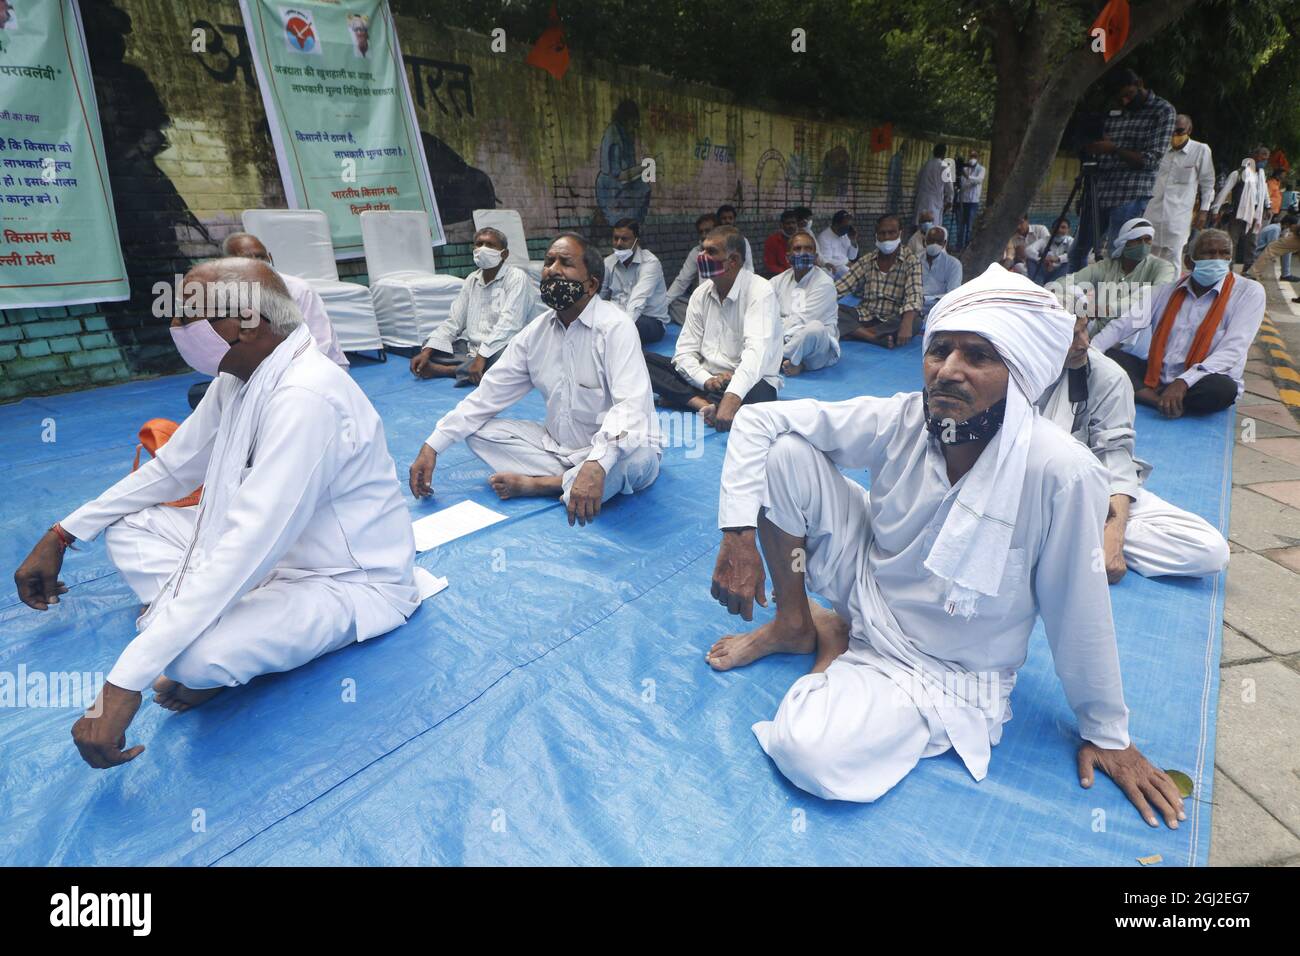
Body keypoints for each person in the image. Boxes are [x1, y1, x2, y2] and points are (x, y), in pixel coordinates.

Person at [704, 263, 1183, 829]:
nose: (949, 371)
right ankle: (793, 622)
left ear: (1020, 374)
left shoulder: (1061, 471)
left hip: (943, 664)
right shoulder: (902, 416)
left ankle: (832, 642)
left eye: (978, 356)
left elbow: (1078, 605)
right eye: (940, 351)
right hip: (869, 584)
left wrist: (1108, 733)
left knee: (810, 753)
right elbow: (759, 422)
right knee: (785, 453)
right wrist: (737, 534)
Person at [13, 259, 420, 768]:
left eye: (188, 317)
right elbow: (173, 471)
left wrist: (123, 683)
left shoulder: (306, 396)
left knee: (191, 657)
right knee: (130, 523)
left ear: (246, 322)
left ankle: (197, 636)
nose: (177, 329)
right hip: (263, 557)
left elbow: (247, 546)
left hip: (339, 579)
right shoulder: (240, 374)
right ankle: (193, 620)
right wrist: (64, 532)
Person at [409, 233, 661, 522]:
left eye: (565, 263)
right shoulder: (535, 333)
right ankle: (571, 479)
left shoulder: (616, 327)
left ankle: (543, 484)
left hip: (614, 452)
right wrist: (432, 446)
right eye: (548, 261)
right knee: (478, 432)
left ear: (591, 285)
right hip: (557, 448)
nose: (552, 270)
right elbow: (487, 394)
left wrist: (597, 463)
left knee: (637, 459)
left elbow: (631, 408)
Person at [1037, 315, 1229, 583]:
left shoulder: (1105, 375)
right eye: (1071, 336)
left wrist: (1113, 537)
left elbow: (1114, 460)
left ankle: (1069, 531)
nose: (1084, 343)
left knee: (1209, 550)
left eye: (1084, 330)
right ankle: (1061, 531)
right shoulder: (1001, 371)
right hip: (1015, 495)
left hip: (1088, 491)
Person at [1091, 229, 1265, 417]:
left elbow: (1233, 349)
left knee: (1222, 389)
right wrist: (1088, 352)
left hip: (1201, 381)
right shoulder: (1165, 291)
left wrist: (1183, 382)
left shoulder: (1249, 292)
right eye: (1209, 252)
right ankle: (1157, 399)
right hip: (1156, 375)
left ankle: (1147, 395)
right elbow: (1122, 326)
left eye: (1224, 254)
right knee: (1105, 356)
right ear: (1189, 261)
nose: (1218, 259)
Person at [644, 225, 782, 432]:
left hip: (747, 380)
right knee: (642, 361)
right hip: (708, 378)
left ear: (733, 260)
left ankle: (688, 398)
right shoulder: (701, 294)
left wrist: (732, 396)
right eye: (702, 249)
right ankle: (701, 404)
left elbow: (756, 355)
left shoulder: (760, 291)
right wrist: (707, 380)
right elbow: (683, 353)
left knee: (757, 394)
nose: (702, 256)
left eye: (711, 252)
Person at [211, 232, 347, 407]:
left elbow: (323, 345)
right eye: (247, 259)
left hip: (315, 372)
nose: (257, 264)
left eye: (261, 257)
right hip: (263, 375)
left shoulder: (298, 290)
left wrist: (283, 382)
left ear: (270, 258)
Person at [1069, 70, 1177, 273]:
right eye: (1120, 98)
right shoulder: (1110, 107)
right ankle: (1073, 295)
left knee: (1115, 251)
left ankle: (1112, 300)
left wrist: (1114, 149)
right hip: (1098, 188)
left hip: (1131, 191)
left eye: (1129, 94)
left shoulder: (1162, 111)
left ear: (1140, 83)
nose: (1125, 101)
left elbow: (1151, 160)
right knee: (1078, 250)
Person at [409, 226, 533, 386]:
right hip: (472, 349)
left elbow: (509, 326)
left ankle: (447, 371)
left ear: (504, 254)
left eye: (489, 245)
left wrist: (482, 356)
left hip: (503, 346)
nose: (482, 249)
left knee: (506, 358)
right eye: (479, 244)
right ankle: (470, 369)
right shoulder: (472, 279)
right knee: (431, 346)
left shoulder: (516, 278)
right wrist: (427, 352)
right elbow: (454, 322)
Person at [1063, 218, 1177, 333]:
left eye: (1147, 240)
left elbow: (1154, 297)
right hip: (1097, 334)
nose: (1143, 245)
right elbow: (1069, 281)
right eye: (1137, 240)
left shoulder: (1163, 267)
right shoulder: (1107, 266)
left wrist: (1107, 309)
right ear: (1125, 242)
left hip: (1133, 338)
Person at [835, 212, 922, 349]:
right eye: (882, 233)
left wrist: (906, 323)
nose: (886, 238)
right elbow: (841, 286)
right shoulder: (867, 260)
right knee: (831, 310)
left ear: (900, 234)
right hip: (865, 315)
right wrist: (820, 301)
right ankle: (872, 337)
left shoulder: (911, 261)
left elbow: (915, 295)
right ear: (876, 236)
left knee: (915, 321)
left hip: (892, 318)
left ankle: (855, 333)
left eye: (891, 233)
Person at [1143, 114, 1215, 267]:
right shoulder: (1160, 149)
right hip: (1152, 212)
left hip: (1178, 216)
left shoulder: (1200, 150)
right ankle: (1150, 290)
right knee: (1149, 257)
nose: (1175, 134)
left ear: (1189, 130)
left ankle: (1172, 291)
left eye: (1180, 130)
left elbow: (1208, 183)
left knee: (1172, 258)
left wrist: (1204, 210)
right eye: (1172, 131)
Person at [771, 230, 839, 376]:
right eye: (797, 249)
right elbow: (765, 311)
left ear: (815, 256)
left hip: (813, 343)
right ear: (788, 256)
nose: (803, 253)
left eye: (808, 249)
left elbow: (802, 319)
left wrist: (776, 329)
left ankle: (775, 358)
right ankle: (796, 362)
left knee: (814, 329)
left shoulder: (824, 283)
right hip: (782, 336)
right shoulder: (778, 280)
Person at [601, 218, 670, 345]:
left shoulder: (650, 263)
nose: (618, 243)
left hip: (649, 320)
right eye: (615, 238)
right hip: (617, 317)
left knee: (632, 327)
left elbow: (638, 301)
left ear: (636, 241)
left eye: (624, 239)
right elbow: (601, 296)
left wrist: (622, 328)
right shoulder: (608, 262)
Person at [1212, 148, 1270, 271]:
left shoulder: (1261, 176)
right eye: (1262, 157)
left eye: (1266, 159)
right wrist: (1215, 210)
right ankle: (1228, 268)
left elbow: (1264, 193)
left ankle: (1248, 269)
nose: (1264, 161)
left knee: (1252, 242)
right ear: (1253, 156)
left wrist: (1268, 206)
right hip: (1238, 212)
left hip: (1255, 213)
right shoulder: (1238, 174)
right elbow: (1224, 192)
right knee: (1233, 240)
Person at [666, 213, 717, 325]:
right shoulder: (697, 252)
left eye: (708, 231)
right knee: (673, 303)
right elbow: (682, 281)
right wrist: (662, 305)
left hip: (726, 305)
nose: (704, 235)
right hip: (703, 306)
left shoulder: (728, 250)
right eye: (701, 232)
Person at [920, 225, 962, 319]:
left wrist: (927, 299)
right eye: (931, 241)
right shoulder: (915, 260)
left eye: (938, 242)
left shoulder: (954, 264)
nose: (934, 244)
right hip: (915, 308)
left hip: (940, 310)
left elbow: (952, 295)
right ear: (924, 242)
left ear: (944, 243)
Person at [1247, 214, 1300, 285]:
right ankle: (1286, 274)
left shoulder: (1276, 228)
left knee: (1273, 247)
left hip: (1260, 252)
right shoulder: (1275, 228)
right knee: (1281, 248)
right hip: (1258, 252)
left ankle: (1253, 273)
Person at [914, 143, 954, 231]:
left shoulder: (926, 165)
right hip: (934, 202)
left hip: (922, 199)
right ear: (944, 154)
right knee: (933, 230)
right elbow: (949, 188)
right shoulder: (944, 167)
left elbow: (917, 183)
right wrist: (950, 201)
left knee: (920, 230)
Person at [816, 210, 859, 280]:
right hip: (833, 269)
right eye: (845, 226)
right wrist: (846, 263)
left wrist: (853, 240)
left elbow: (852, 257)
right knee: (850, 273)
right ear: (836, 224)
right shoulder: (824, 237)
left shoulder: (845, 235)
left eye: (848, 226)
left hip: (846, 266)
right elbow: (827, 260)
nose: (847, 228)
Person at [955, 151, 985, 250]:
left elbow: (978, 180)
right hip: (962, 200)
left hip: (973, 201)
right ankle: (959, 246)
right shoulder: (964, 168)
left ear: (977, 158)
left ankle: (967, 248)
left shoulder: (981, 169)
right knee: (960, 225)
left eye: (974, 156)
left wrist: (967, 176)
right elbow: (961, 183)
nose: (972, 158)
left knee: (969, 226)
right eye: (971, 156)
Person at [1030, 217, 1074, 284]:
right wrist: (1042, 259)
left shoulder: (1070, 240)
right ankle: (1038, 283)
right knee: (1030, 260)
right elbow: (1028, 250)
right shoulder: (1045, 240)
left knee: (1069, 262)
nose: (1059, 230)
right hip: (1046, 270)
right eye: (1057, 227)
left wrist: (1058, 259)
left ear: (1068, 230)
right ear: (1052, 230)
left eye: (1063, 227)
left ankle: (1052, 284)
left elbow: (1073, 254)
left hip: (1061, 273)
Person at [715, 204, 755, 270]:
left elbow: (749, 265)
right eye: (724, 218)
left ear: (734, 220)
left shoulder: (743, 240)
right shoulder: (714, 242)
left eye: (730, 218)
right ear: (719, 220)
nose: (727, 221)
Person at [763, 209, 799, 277]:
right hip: (780, 277)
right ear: (781, 225)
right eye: (788, 223)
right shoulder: (772, 241)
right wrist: (788, 274)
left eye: (793, 223)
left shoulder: (803, 239)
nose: (791, 226)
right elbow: (770, 265)